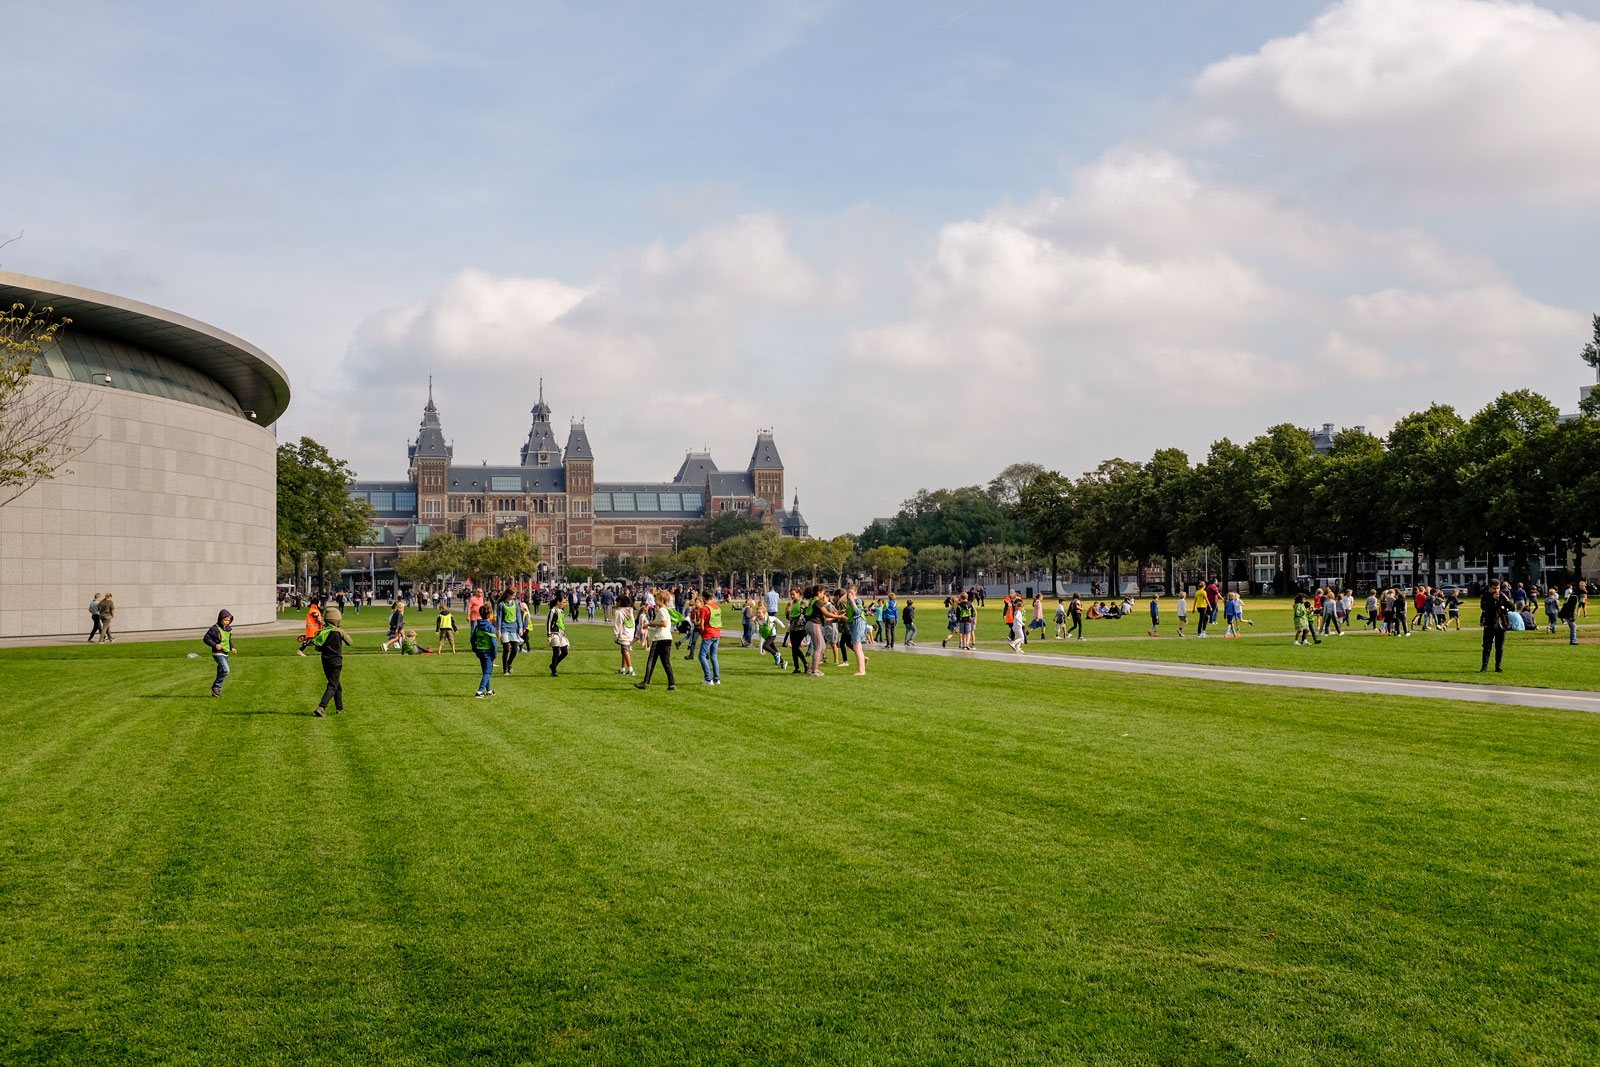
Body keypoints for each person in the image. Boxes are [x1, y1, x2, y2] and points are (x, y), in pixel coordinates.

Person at [311, 606, 353, 715]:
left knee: (337, 685)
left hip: (325, 661)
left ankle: (340, 708)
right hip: (336, 661)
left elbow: (318, 648)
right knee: (332, 685)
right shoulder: (339, 631)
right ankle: (321, 707)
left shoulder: (322, 632)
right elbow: (350, 642)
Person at [634, 590, 678, 690]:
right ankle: (672, 683)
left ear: (662, 600)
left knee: (651, 660)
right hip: (667, 638)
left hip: (660, 638)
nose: (654, 601)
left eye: (656, 599)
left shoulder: (662, 610)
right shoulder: (666, 610)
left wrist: (651, 623)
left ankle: (645, 682)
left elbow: (664, 623)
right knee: (666, 662)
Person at [1479, 579, 1513, 673]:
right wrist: (1493, 599)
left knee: (1500, 647)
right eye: (1494, 588)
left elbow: (1512, 608)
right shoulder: (1486, 596)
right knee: (1487, 647)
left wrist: (1507, 600)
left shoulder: (1502, 596)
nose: (1496, 590)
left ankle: (1498, 667)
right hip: (1490, 624)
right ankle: (1484, 667)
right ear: (1490, 587)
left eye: (1498, 588)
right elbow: (1484, 607)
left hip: (1501, 625)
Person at [202, 609, 236, 697]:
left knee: (221, 670)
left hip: (225, 653)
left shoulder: (229, 629)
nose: (227, 622)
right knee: (226, 670)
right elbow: (206, 638)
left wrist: (232, 647)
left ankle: (216, 692)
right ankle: (216, 685)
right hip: (218, 653)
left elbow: (228, 639)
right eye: (225, 620)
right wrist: (215, 645)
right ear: (220, 619)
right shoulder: (215, 629)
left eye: (229, 620)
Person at [467, 606, 498, 697]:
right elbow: (494, 642)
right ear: (490, 615)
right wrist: (495, 653)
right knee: (488, 672)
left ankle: (489, 690)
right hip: (488, 652)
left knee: (485, 671)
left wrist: (475, 649)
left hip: (480, 651)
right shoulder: (490, 627)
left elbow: (472, 639)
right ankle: (480, 691)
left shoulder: (477, 626)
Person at [697, 591, 724, 685]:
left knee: (702, 656)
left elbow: (701, 624)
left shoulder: (704, 608)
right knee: (713, 656)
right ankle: (716, 679)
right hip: (717, 633)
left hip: (708, 633)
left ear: (703, 598)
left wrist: (702, 633)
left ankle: (708, 679)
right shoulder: (717, 607)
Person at [845, 585, 870, 673]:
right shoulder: (848, 602)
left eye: (852, 592)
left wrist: (852, 600)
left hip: (858, 622)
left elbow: (858, 611)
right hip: (853, 623)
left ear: (855, 592)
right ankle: (862, 664)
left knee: (856, 646)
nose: (850, 594)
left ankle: (861, 671)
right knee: (857, 647)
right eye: (849, 592)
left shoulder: (857, 600)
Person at [497, 592, 522, 675]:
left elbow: (518, 616)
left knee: (515, 649)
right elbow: (499, 618)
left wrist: (520, 628)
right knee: (506, 649)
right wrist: (499, 630)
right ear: (508, 594)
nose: (514, 596)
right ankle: (505, 669)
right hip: (504, 628)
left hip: (514, 628)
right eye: (513, 594)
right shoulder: (501, 604)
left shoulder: (516, 604)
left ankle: (509, 663)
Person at [547, 592, 571, 676]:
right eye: (563, 602)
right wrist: (549, 635)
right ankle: (554, 671)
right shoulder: (553, 611)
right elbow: (549, 623)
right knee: (556, 651)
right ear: (558, 602)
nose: (565, 604)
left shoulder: (561, 611)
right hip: (554, 633)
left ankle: (553, 665)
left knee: (565, 652)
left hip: (561, 633)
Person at [613, 593, 637, 675]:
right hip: (629, 633)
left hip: (623, 634)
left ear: (620, 602)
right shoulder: (630, 611)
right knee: (623, 651)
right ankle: (622, 669)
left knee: (625, 651)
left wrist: (616, 635)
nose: (616, 604)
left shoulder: (619, 612)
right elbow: (633, 623)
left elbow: (617, 624)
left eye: (616, 602)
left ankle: (631, 670)